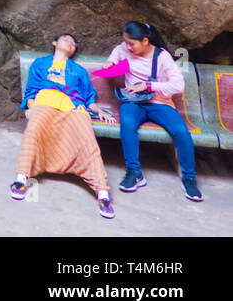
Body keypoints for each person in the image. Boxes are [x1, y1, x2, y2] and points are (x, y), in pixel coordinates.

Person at [93, 21, 201, 202]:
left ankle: (189, 178)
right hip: (132, 102)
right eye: (126, 43)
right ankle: (134, 172)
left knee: (181, 131)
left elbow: (178, 84)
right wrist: (111, 61)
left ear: (145, 40)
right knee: (127, 124)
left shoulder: (162, 56)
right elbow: (118, 50)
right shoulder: (124, 48)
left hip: (159, 102)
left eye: (131, 43)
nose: (128, 47)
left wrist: (149, 85)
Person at [12, 33, 117, 219]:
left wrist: (98, 111)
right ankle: (22, 178)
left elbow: (88, 97)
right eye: (66, 39)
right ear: (54, 43)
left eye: (73, 42)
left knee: (87, 139)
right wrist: (31, 106)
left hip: (73, 105)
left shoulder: (78, 70)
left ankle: (102, 192)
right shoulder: (41, 64)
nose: (70, 43)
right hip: (45, 100)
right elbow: (31, 90)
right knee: (34, 128)